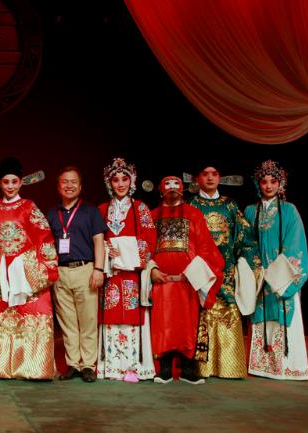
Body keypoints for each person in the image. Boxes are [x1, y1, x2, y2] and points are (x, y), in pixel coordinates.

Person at [0, 157, 58, 380]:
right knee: (1, 317)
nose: (10, 186)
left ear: (21, 182)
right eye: (6, 182)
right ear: (0, 183)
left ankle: (34, 367)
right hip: (2, 273)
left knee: (30, 315)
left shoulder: (29, 207)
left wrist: (27, 266)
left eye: (14, 181)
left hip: (25, 273)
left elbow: (44, 239)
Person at [144, 176, 224, 385]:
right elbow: (145, 246)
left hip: (187, 282)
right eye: (168, 186)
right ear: (161, 190)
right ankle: (165, 368)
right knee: (162, 326)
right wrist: (151, 269)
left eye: (176, 186)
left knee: (187, 326)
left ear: (182, 189)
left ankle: (188, 369)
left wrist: (195, 271)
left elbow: (205, 246)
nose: (172, 190)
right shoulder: (152, 216)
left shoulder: (194, 214)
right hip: (161, 282)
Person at [188, 164, 255, 379]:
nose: (210, 178)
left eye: (214, 174)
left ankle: (230, 367)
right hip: (200, 273)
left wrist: (245, 262)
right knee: (200, 313)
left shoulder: (230, 205)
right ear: (197, 178)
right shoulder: (191, 205)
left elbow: (243, 237)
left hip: (225, 271)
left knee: (228, 311)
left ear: (220, 178)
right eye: (205, 174)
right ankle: (202, 368)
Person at [244, 160, 308, 380]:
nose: (269, 185)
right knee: (260, 317)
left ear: (281, 184)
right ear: (258, 184)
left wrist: (276, 273)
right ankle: (262, 366)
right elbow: (247, 243)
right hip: (260, 276)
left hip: (281, 276)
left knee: (284, 315)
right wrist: (255, 268)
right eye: (264, 181)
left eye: (273, 181)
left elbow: (295, 243)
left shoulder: (289, 210)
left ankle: (288, 367)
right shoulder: (251, 211)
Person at [96, 158, 157, 382]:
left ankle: (134, 367)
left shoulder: (140, 208)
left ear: (132, 181)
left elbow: (150, 240)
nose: (120, 184)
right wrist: (105, 249)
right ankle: (109, 366)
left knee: (132, 317)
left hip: (132, 275)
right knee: (109, 316)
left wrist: (122, 248)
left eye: (124, 179)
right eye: (115, 179)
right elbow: (96, 240)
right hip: (110, 274)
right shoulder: (102, 209)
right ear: (109, 183)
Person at [45, 166, 107, 382]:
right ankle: (73, 364)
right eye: (65, 182)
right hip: (60, 272)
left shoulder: (91, 211)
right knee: (67, 322)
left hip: (85, 270)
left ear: (80, 187)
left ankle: (88, 365)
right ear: (58, 186)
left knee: (88, 320)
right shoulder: (51, 214)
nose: (69, 185)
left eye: (73, 182)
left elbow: (99, 241)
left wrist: (99, 269)